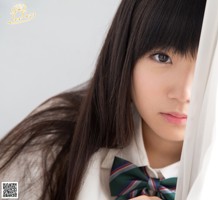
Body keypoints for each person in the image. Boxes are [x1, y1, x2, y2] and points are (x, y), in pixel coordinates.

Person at [0, 0, 206, 199]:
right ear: (125, 54)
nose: (184, 93)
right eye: (162, 57)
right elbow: (7, 191)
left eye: (207, 65)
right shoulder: (53, 138)